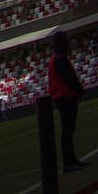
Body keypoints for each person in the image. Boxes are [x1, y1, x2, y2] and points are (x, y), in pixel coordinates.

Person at [50, 30, 88, 172]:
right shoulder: (59, 59)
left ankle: (71, 159)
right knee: (67, 130)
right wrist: (78, 89)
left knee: (68, 130)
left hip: (63, 96)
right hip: (64, 96)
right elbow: (67, 77)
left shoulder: (58, 58)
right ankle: (68, 161)